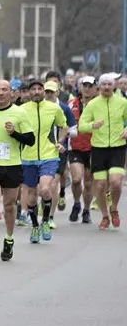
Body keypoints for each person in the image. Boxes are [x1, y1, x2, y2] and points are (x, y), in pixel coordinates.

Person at [20, 80, 67, 242]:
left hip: (49, 155)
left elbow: (63, 126)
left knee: (45, 189)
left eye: (40, 89)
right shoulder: (22, 110)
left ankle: (45, 221)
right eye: (33, 89)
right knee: (32, 196)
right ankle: (35, 226)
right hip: (28, 157)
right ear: (29, 92)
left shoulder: (54, 108)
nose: (37, 91)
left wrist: (59, 142)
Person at [78, 73, 127, 229]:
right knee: (99, 185)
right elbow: (81, 125)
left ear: (114, 86)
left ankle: (114, 209)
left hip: (117, 147)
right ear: (99, 87)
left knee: (116, 182)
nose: (106, 87)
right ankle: (105, 216)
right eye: (103, 84)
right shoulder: (92, 105)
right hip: (98, 148)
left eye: (109, 84)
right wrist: (93, 126)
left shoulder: (122, 102)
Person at [44, 80, 77, 228]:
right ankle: (43, 207)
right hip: (40, 151)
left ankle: (50, 216)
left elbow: (74, 130)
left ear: (58, 92)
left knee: (54, 183)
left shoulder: (63, 108)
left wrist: (63, 136)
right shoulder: (37, 108)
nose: (49, 95)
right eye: (47, 92)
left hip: (58, 150)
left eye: (52, 92)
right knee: (41, 187)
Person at [67, 76, 96, 224]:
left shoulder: (99, 105)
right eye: (85, 85)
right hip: (75, 147)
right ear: (80, 87)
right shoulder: (72, 104)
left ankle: (86, 210)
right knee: (77, 179)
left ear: (95, 88)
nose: (87, 88)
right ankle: (77, 203)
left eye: (90, 85)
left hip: (94, 147)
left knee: (89, 182)